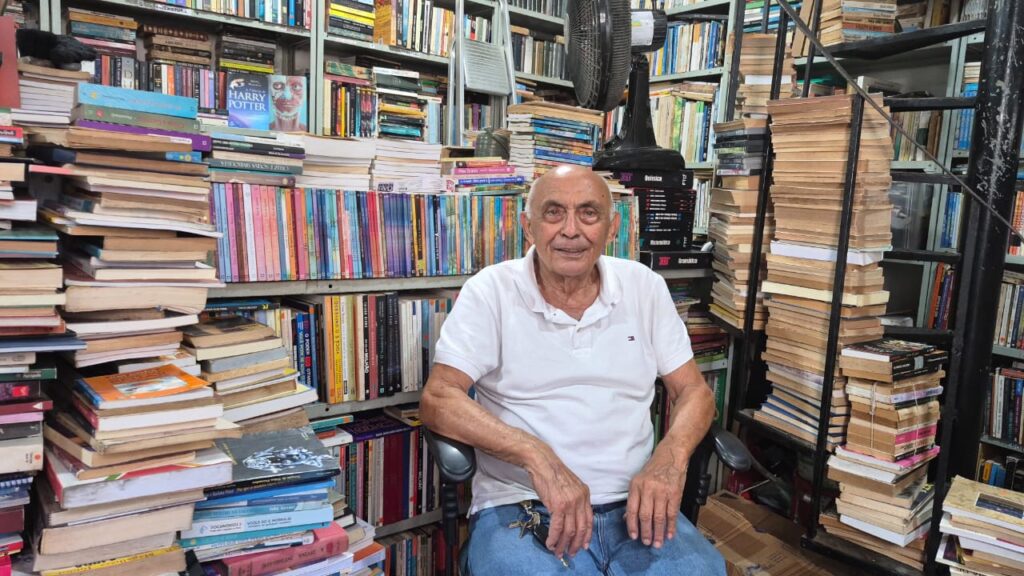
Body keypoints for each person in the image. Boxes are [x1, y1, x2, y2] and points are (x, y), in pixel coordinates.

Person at [420, 164, 725, 575]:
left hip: (635, 505)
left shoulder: (644, 286)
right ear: (528, 226)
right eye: (553, 213)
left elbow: (695, 392)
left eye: (588, 213)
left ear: (612, 227)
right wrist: (538, 456)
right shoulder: (490, 291)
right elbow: (439, 399)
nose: (570, 230)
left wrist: (670, 459)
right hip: (523, 504)